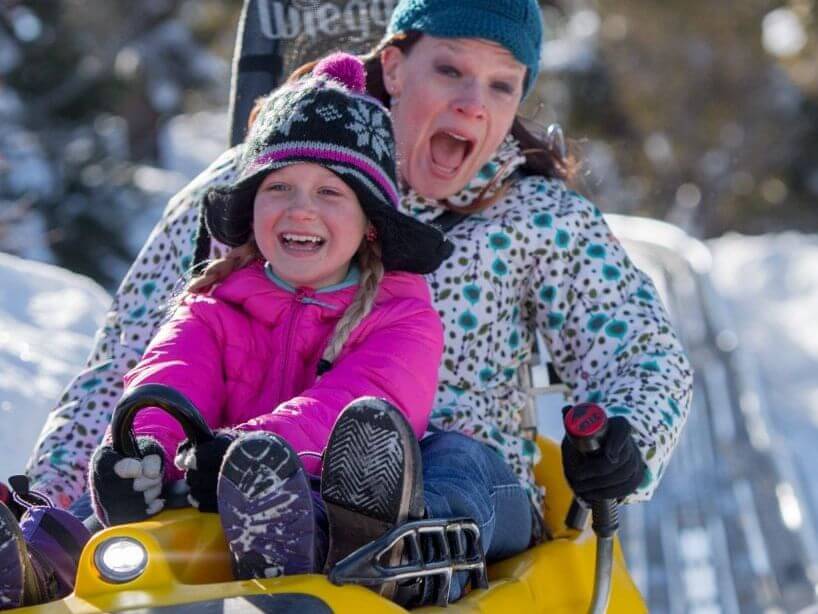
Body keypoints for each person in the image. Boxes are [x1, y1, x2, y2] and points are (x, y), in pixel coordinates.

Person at [25, 0, 693, 606]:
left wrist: (626, 435)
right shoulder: (255, 187)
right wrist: (60, 485)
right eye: (450, 70)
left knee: (445, 459)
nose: (472, 105)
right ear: (396, 66)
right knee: (138, 487)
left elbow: (642, 353)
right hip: (251, 475)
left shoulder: (534, 219)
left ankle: (399, 550)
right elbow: (135, 356)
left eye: (501, 85)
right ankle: (42, 555)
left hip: (461, 481)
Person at [0, 53, 450, 608]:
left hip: (312, 500)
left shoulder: (403, 317)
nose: (300, 210)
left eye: (330, 193)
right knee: (98, 519)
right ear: (251, 207)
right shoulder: (212, 304)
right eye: (278, 188)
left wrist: (246, 448)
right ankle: (36, 568)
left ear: (372, 225)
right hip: (196, 496)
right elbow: (171, 374)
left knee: (304, 501)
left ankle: (279, 554)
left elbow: (357, 401)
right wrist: (145, 450)